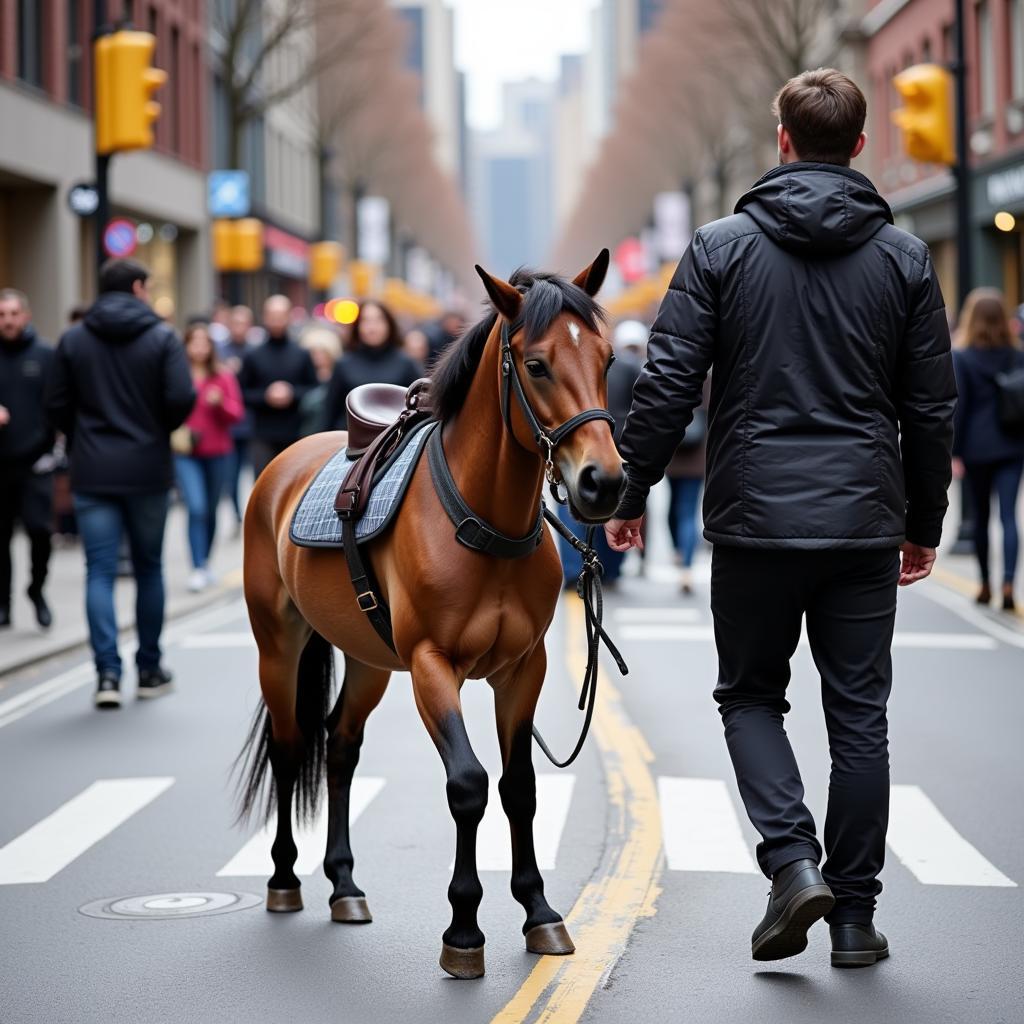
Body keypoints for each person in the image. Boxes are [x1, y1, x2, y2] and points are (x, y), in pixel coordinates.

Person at [606, 69, 956, 967]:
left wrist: (632, 488)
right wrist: (925, 519)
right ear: (864, 145)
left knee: (752, 695)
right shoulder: (906, 259)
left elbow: (669, 380)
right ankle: (855, 918)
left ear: (783, 140)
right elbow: (929, 408)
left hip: (756, 517)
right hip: (865, 522)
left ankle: (793, 861)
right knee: (860, 714)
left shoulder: (720, 248)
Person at [45, 258, 195, 709]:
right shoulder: (162, 337)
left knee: (100, 570)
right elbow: (180, 399)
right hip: (147, 468)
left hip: (92, 470)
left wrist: (80, 437)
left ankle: (107, 675)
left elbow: (54, 404)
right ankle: (149, 668)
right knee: (148, 568)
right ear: (136, 288)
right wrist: (154, 429)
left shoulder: (73, 339)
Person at [556, 319, 643, 588]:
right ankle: (610, 570)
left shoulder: (572, 364)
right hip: (618, 441)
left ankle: (574, 569)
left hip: (582, 441)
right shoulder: (627, 366)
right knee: (612, 505)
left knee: (573, 503)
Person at [952, 288, 1024, 611]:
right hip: (1012, 444)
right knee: (1009, 516)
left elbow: (959, 407)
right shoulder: (1017, 355)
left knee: (981, 517)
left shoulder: (962, 357)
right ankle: (1009, 583)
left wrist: (953, 452)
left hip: (976, 448)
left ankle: (984, 584)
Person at [0, 288, 55, 629]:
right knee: (0, 537)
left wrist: (48, 446)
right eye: (2, 315)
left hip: (36, 462)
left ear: (26, 315)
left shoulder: (46, 355)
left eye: (13, 314)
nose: (7, 320)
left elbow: (57, 406)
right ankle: (3, 603)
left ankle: (36, 590)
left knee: (39, 532)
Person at [174, 322, 243, 592]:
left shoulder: (223, 376)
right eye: (194, 342)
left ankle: (206, 561)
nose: (199, 347)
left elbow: (237, 415)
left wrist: (220, 404)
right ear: (186, 345)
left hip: (218, 452)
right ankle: (197, 566)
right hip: (185, 452)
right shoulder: (177, 375)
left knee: (212, 510)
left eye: (205, 342)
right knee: (196, 507)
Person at [237, 294, 318, 477]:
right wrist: (266, 396)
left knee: (294, 486)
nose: (276, 321)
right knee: (264, 487)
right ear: (264, 317)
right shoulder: (253, 355)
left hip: (296, 433)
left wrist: (292, 394)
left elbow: (314, 391)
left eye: (281, 315)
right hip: (262, 434)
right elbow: (241, 393)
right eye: (272, 315)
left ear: (289, 317)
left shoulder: (302, 354)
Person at [322, 300, 421, 430]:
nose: (372, 327)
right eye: (366, 321)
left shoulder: (406, 364)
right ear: (358, 326)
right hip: (348, 441)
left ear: (389, 324)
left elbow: (420, 409)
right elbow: (329, 411)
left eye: (378, 320)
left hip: (397, 441)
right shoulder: (344, 364)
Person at [665, 378, 709, 595]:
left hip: (673, 457)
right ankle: (686, 567)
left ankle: (680, 553)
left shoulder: (675, 378)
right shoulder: (711, 382)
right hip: (698, 460)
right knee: (687, 512)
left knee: (674, 509)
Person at [217, 305, 256, 525]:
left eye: (244, 323)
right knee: (231, 473)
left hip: (251, 422)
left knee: (253, 472)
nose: (240, 328)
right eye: (236, 322)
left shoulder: (254, 351)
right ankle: (235, 511)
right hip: (228, 425)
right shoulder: (220, 351)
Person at [298, 323, 342, 435]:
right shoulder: (304, 376)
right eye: (314, 352)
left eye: (322, 352)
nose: (318, 357)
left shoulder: (340, 376)